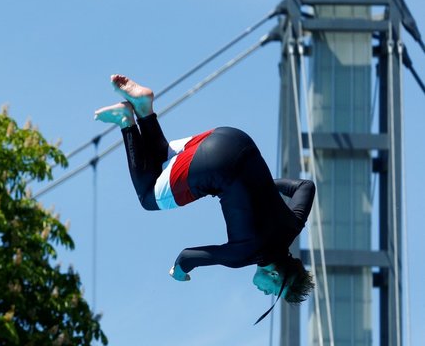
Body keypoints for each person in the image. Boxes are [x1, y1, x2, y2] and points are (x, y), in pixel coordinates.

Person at [95, 74, 315, 310]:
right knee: (148, 197)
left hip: (234, 139)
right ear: (274, 276)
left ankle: (143, 105)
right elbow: (188, 257)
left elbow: (306, 186)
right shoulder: (243, 255)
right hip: (215, 166)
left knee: (161, 166)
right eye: (273, 292)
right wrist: (179, 272)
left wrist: (257, 183)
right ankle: (126, 121)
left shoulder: (294, 224)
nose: (265, 293)